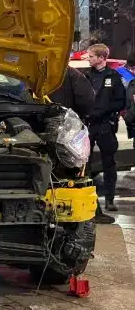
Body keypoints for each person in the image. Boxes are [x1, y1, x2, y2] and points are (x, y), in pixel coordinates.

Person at [49, 65, 115, 224]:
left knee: (50, 174)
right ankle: (93, 213)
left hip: (39, 129)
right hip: (68, 131)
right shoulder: (72, 75)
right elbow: (87, 102)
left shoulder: (34, 74)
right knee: (81, 171)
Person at [83, 44, 126, 212]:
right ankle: (88, 200)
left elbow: (120, 101)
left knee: (109, 164)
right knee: (83, 164)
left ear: (101, 58)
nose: (89, 59)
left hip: (105, 126)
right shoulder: (85, 77)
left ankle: (109, 199)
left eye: (91, 56)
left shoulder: (114, 77)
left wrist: (103, 112)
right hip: (87, 126)